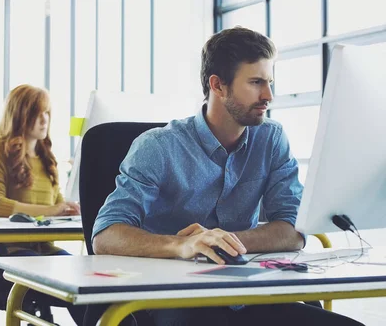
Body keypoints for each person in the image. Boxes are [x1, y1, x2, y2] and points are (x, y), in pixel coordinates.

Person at [88, 27, 364, 326]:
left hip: (249, 295)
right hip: (171, 300)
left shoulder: (270, 138)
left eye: (270, 82)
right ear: (218, 86)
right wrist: (183, 246)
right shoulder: (157, 146)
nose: (268, 96)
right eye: (256, 82)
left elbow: (292, 230)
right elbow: (106, 236)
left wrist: (222, 242)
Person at [0, 84, 83, 324]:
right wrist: (52, 211)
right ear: (20, 115)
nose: (45, 120)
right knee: (54, 273)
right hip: (1, 256)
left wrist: (70, 209)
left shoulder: (47, 158)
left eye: (47, 113)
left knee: (84, 280)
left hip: (43, 252)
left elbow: (57, 206)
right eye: (38, 113)